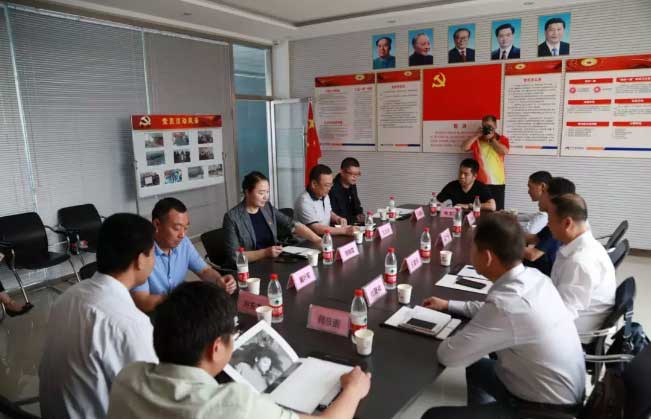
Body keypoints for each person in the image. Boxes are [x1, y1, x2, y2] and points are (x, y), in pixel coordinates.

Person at [107, 281, 372, 419]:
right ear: (216, 348)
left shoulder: (127, 379)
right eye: (232, 335)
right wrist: (353, 390)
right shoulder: (232, 404)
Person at [420, 213, 585, 418]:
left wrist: (451, 335)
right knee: (475, 366)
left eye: (472, 248)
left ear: (487, 257)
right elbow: (495, 312)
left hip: (543, 410)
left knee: (434, 416)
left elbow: (448, 356)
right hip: (558, 389)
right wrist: (448, 305)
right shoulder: (535, 278)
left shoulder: (507, 305)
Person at [39, 213, 159, 419]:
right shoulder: (130, 323)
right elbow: (152, 399)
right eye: (153, 253)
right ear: (140, 260)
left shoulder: (67, 297)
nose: (154, 260)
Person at [131, 197, 236, 313]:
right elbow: (142, 301)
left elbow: (204, 271)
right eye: (177, 228)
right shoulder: (142, 252)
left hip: (180, 310)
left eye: (185, 228)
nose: (182, 234)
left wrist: (218, 280)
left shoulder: (184, 243)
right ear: (157, 224)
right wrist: (183, 298)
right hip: (154, 314)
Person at [548, 193, 616, 341]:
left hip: (575, 335)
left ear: (567, 223)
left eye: (550, 220)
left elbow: (563, 314)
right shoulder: (585, 245)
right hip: (577, 319)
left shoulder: (579, 262)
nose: (548, 225)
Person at [223, 171, 321, 266]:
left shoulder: (267, 207)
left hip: (273, 261)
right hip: (250, 267)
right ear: (247, 192)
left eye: (267, 192)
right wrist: (265, 253)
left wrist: (318, 240)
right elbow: (235, 256)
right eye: (261, 193)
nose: (265, 197)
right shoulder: (232, 217)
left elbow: (291, 224)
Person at [523, 177, 574, 277]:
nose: (540, 195)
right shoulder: (553, 221)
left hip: (543, 277)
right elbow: (534, 238)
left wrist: (506, 244)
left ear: (554, 198)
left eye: (544, 192)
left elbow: (533, 255)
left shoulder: (559, 223)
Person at [460, 115, 510, 210]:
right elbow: (464, 147)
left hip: (497, 182)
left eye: (490, 126)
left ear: (495, 126)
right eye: (485, 126)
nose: (487, 129)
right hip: (479, 182)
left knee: (497, 211)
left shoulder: (501, 139)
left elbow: (504, 151)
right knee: (478, 209)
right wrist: (476, 135)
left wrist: (491, 139)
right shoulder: (477, 140)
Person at [294, 164, 356, 236]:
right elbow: (317, 228)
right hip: (307, 241)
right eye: (326, 185)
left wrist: (337, 218)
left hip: (324, 237)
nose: (329, 188)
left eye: (331, 185)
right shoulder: (304, 202)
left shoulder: (324, 195)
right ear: (314, 184)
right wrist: (345, 230)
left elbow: (328, 212)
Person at [329, 158, 365, 225]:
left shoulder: (352, 184)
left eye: (357, 174)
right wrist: (355, 219)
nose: (355, 177)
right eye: (351, 173)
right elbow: (336, 215)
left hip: (353, 223)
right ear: (342, 172)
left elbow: (356, 205)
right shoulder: (332, 188)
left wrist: (360, 214)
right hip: (339, 226)